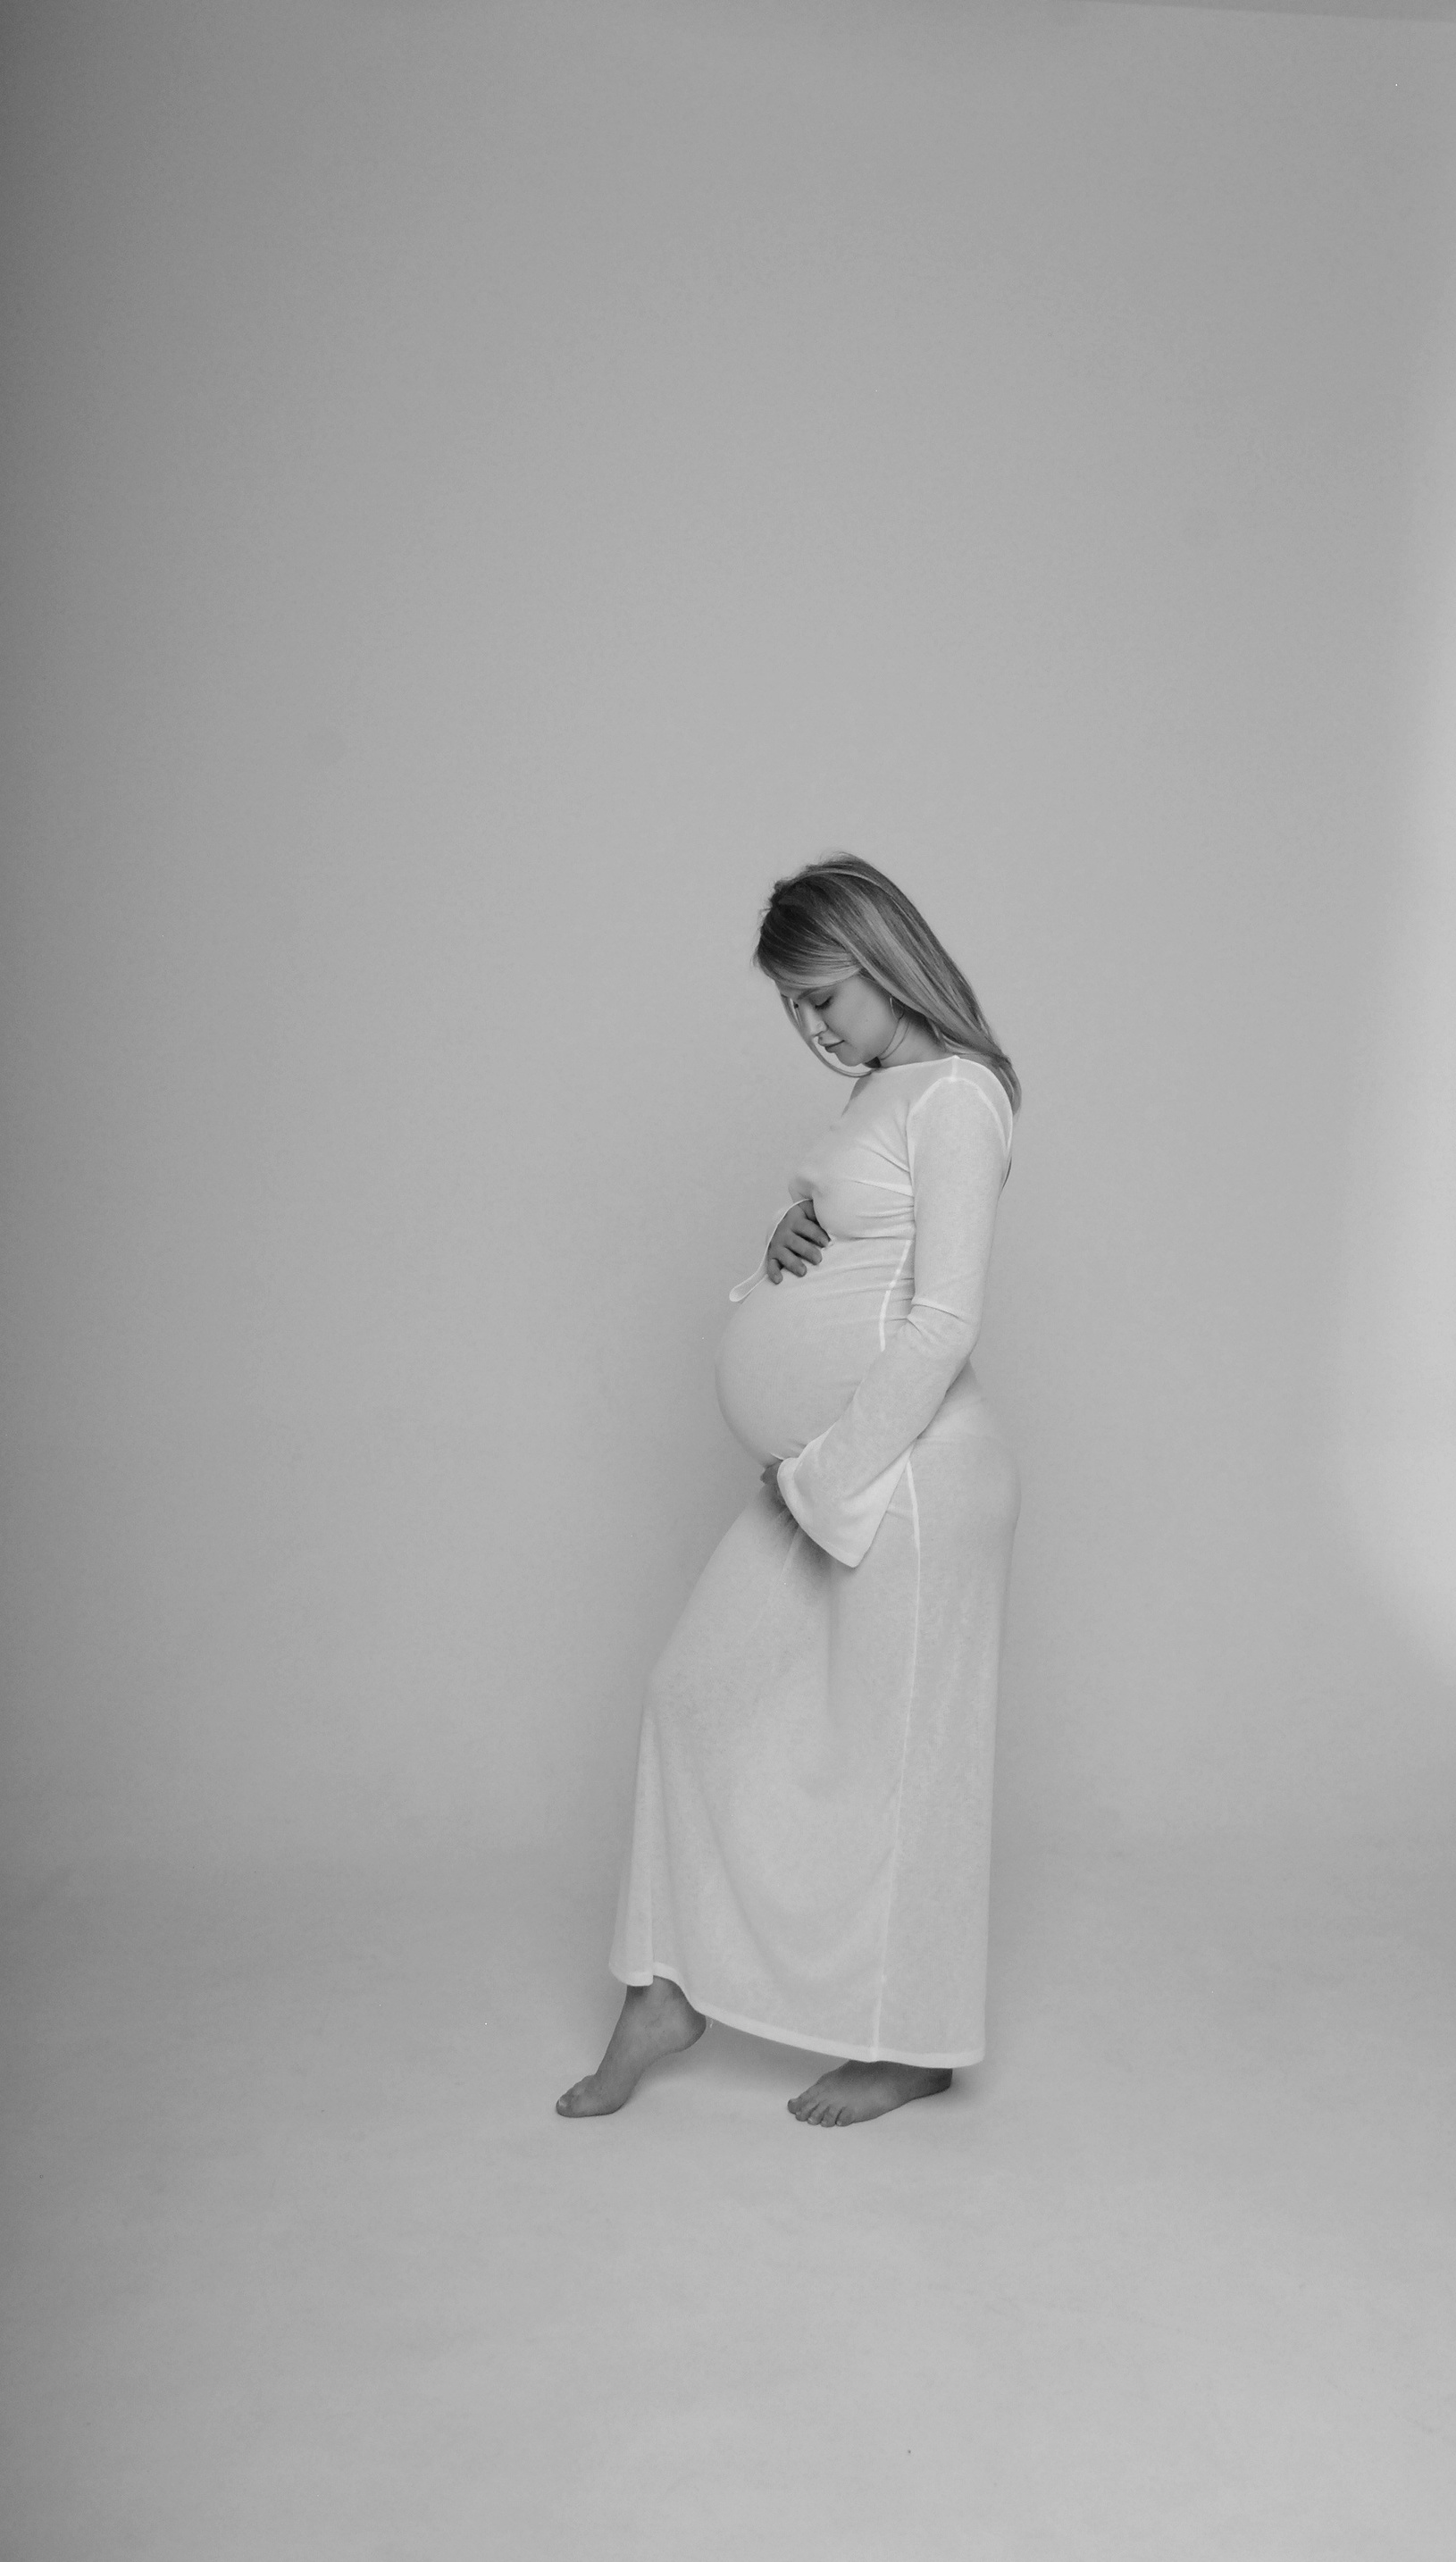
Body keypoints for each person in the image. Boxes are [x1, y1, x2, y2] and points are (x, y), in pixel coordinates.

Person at [557, 854, 1022, 2130]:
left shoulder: (959, 1095)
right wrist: (777, 1254)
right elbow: (855, 1264)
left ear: (883, 961)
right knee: (692, 1692)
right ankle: (664, 1990)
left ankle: (911, 2043)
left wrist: (825, 1468)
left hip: (912, 1478)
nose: (811, 1027)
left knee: (903, 1757)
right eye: (792, 1007)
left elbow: (942, 1321)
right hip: (837, 1471)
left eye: (822, 995)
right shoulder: (881, 1093)